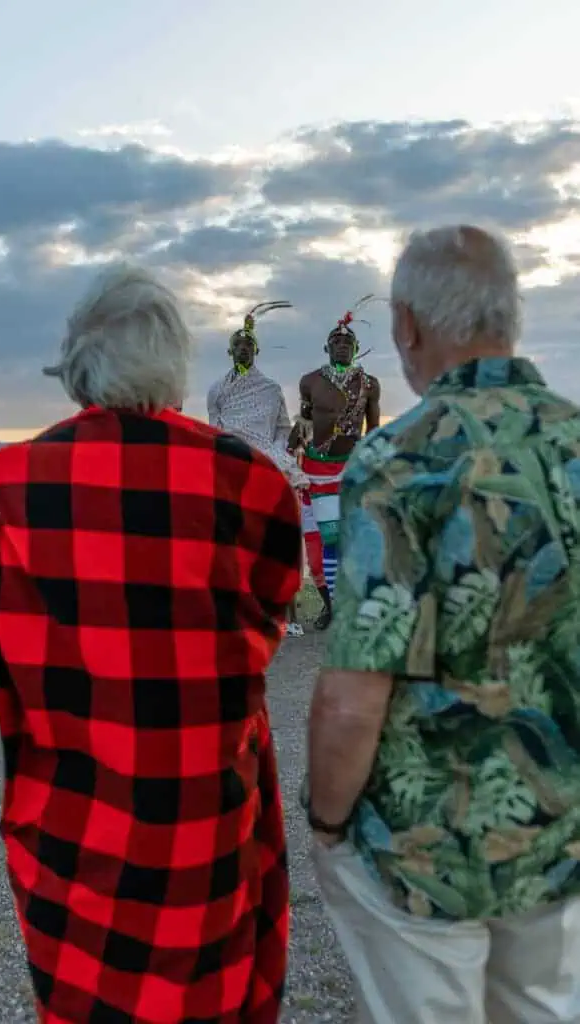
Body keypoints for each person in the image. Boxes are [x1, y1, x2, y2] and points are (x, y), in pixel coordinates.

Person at [0, 266, 302, 1023]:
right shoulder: (249, 481)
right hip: (207, 807)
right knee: (212, 991)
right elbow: (270, 618)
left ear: (75, 363)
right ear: (174, 364)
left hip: (69, 812)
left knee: (85, 998)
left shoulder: (6, 483)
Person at [306, 226, 580, 1023]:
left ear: (407, 325)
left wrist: (326, 820)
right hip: (559, 828)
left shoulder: (398, 461)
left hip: (422, 849)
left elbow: (355, 694)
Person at [208, 302, 307, 637]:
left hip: (268, 465)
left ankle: (288, 616)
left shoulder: (270, 389)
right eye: (238, 345)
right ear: (229, 351)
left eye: (248, 346)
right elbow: (217, 432)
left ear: (257, 350)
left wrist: (281, 454)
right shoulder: (217, 390)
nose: (243, 350)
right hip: (234, 466)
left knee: (277, 540)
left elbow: (281, 428)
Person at [290, 305, 380, 629]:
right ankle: (330, 607)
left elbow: (374, 430)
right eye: (336, 343)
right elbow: (303, 424)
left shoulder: (369, 384)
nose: (342, 347)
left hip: (351, 467)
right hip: (315, 468)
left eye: (348, 343)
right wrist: (290, 459)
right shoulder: (310, 382)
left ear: (356, 349)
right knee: (321, 539)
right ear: (327, 348)